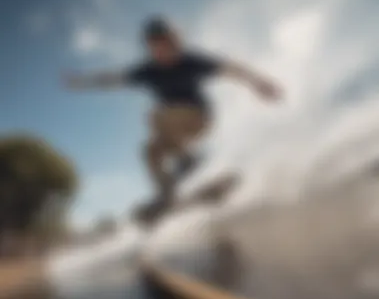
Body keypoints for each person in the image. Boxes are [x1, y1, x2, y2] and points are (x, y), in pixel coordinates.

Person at [64, 16, 282, 214]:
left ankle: (189, 160)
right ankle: (168, 195)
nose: (164, 51)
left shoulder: (192, 61)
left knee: (157, 116)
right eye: (157, 46)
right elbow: (114, 79)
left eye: (169, 44)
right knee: (149, 151)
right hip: (173, 131)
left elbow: (231, 69)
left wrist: (259, 83)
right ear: (150, 48)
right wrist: (82, 82)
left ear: (176, 41)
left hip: (199, 119)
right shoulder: (148, 71)